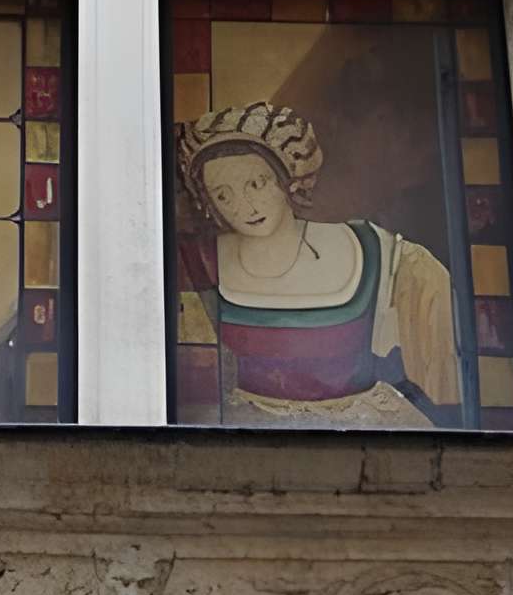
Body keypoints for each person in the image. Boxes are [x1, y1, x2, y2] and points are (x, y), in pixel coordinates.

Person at [176, 101, 460, 428]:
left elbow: (441, 372)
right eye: (223, 195)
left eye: (257, 184)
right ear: (208, 203)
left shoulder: (373, 251)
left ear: (288, 178)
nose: (245, 206)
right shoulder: (200, 262)